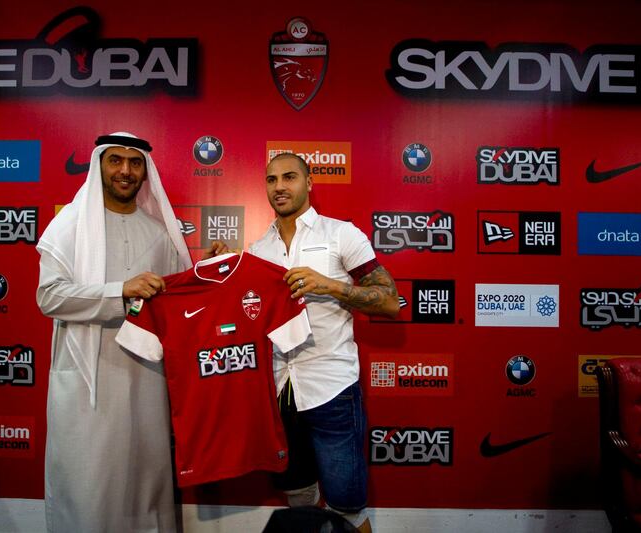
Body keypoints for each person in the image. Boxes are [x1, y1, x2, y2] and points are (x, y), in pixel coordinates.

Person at [35, 131, 225, 532]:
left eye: (134, 163)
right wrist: (119, 291)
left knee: (144, 483)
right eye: (116, 161)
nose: (125, 170)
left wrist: (203, 273)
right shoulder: (69, 224)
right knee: (90, 484)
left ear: (145, 171)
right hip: (89, 380)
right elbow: (49, 297)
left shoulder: (159, 231)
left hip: (145, 378)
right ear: (100, 165)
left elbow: (173, 296)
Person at [248, 152, 400, 533]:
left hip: (332, 388)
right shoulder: (256, 250)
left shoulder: (341, 234)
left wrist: (331, 286)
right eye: (271, 180)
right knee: (298, 497)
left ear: (309, 182)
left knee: (348, 506)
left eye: (289, 177)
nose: (280, 186)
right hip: (280, 389)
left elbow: (389, 300)